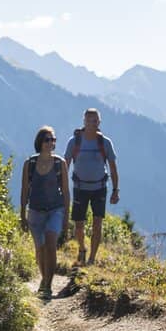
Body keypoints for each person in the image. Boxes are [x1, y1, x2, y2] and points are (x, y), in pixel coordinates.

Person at [20, 126, 70, 300]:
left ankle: (48, 284)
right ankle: (43, 278)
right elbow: (24, 191)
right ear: (40, 142)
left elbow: (66, 191)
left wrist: (66, 216)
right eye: (47, 140)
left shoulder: (59, 163)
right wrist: (22, 215)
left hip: (55, 210)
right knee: (40, 249)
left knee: (50, 243)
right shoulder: (30, 164)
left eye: (53, 140)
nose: (51, 143)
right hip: (35, 211)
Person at [64, 108, 119, 265]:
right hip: (79, 188)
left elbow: (113, 168)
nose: (91, 123)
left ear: (99, 122)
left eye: (95, 121)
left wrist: (115, 190)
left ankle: (92, 259)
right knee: (79, 225)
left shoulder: (105, 143)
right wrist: (61, 187)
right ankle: (82, 248)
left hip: (99, 189)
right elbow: (65, 165)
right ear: (84, 121)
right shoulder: (74, 142)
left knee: (97, 224)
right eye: (89, 120)